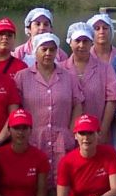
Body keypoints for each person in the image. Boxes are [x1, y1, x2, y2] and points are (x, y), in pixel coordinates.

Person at [12, 33, 85, 179]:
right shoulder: (22, 77)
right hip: (33, 138)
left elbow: (77, 104)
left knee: (62, 180)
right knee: (35, 180)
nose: (48, 53)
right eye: (44, 49)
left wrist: (71, 132)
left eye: (52, 49)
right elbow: (16, 108)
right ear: (35, 51)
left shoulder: (68, 77)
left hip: (61, 140)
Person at [65, 21, 116, 144]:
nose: (81, 45)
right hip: (68, 135)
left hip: (96, 133)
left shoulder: (105, 68)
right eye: (77, 41)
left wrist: (103, 130)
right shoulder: (60, 69)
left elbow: (112, 99)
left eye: (85, 41)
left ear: (91, 42)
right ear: (70, 42)